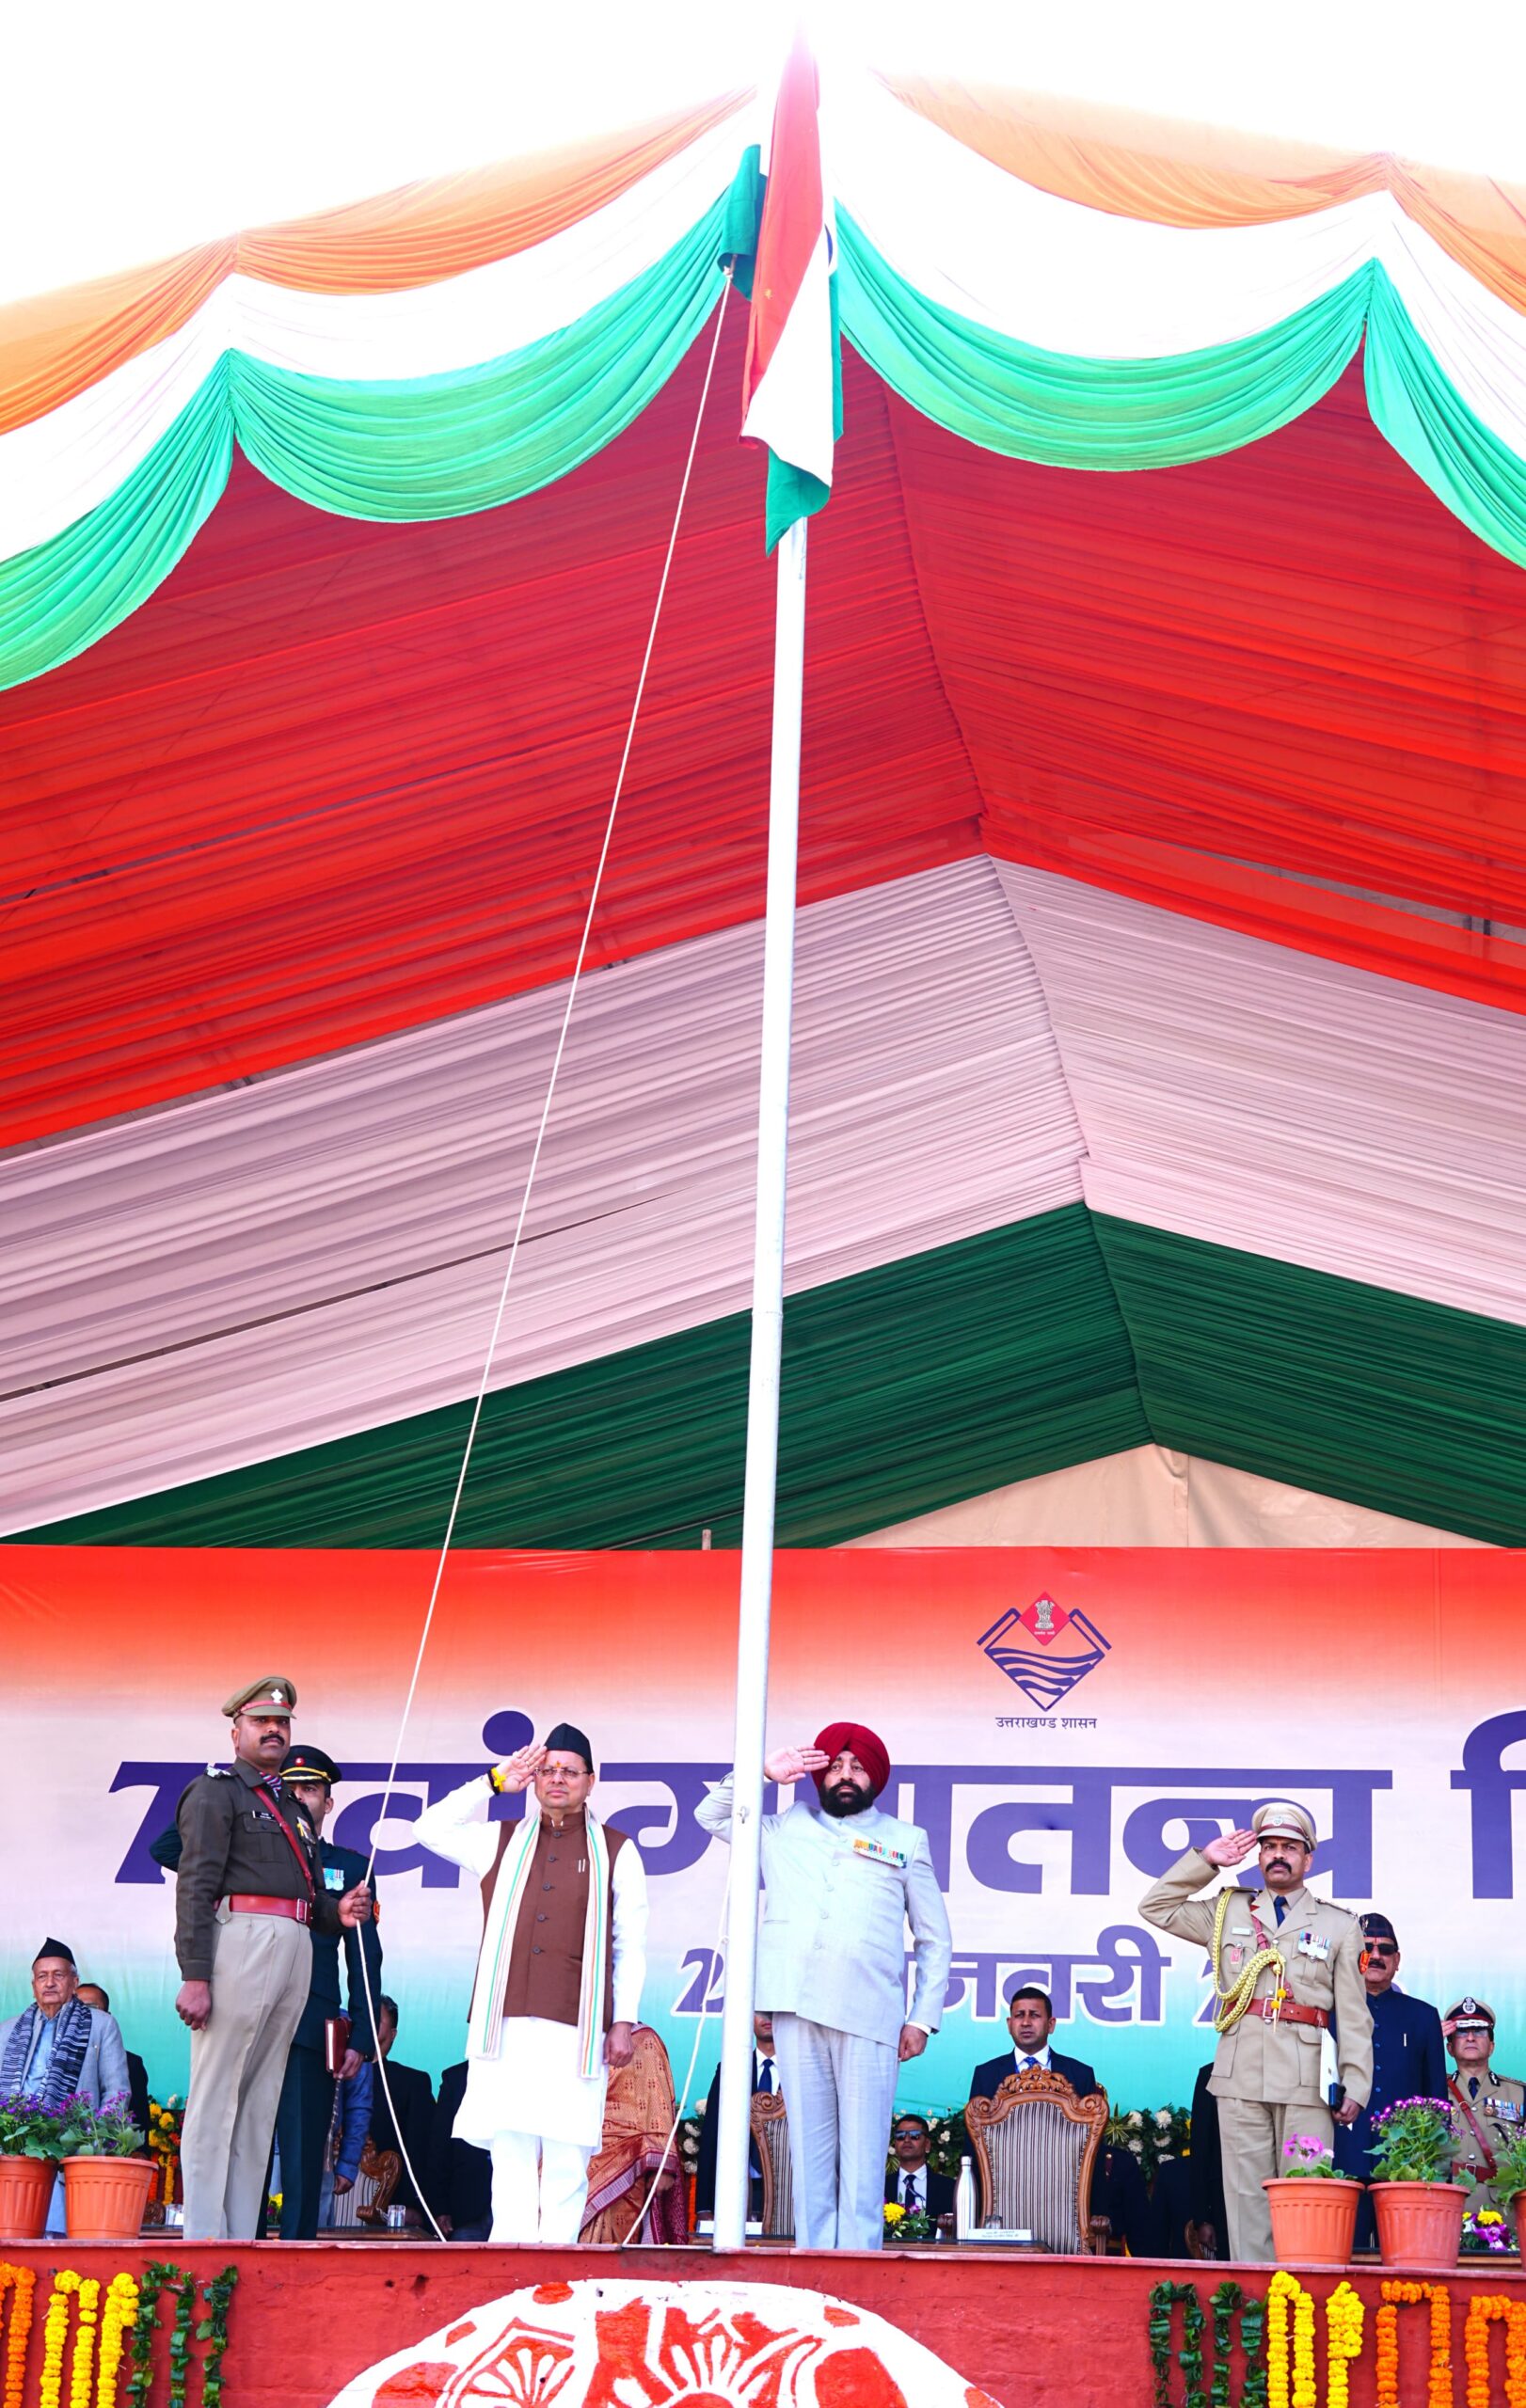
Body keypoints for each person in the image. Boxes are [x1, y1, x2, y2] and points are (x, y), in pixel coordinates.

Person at [695, 1720, 952, 2251]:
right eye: (835, 1765)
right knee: (809, 2154)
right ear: (819, 1775)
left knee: (863, 2160)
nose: (845, 1775)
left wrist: (922, 2018)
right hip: (795, 2007)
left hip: (870, 2014)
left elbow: (934, 1938)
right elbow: (710, 1815)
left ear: (875, 1777)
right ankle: (815, 2262)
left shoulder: (906, 1840)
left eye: (857, 1766)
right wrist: (762, 1773)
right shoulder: (781, 1828)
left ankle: (858, 2269)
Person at [415, 1722, 647, 2242]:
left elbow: (629, 1943)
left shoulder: (617, 1850)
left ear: (591, 1781)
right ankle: (512, 2257)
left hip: (577, 2026)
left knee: (567, 2152)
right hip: (507, 2024)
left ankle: (558, 2258)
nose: (557, 1779)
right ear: (534, 1779)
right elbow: (427, 1829)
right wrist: (492, 1782)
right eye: (547, 1770)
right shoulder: (498, 1841)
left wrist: (624, 2020)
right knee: (510, 2150)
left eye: (570, 1772)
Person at [173, 1677, 372, 2242]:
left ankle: (240, 2236)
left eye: (281, 1723)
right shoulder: (216, 1792)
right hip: (242, 1940)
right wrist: (195, 1975)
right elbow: (195, 1885)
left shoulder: (290, 1805)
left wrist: (338, 1912)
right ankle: (205, 2237)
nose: (273, 1731)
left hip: (297, 1943)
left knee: (259, 2105)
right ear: (236, 1731)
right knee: (218, 2096)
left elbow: (306, 1894)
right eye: (261, 1722)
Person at [1139, 1799, 1371, 2263]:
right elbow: (1156, 1907)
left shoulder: (1339, 1925)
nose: (1278, 1855)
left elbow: (1353, 2014)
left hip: (1307, 2078)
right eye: (1269, 1847)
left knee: (1306, 2196)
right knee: (1246, 2201)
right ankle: (1257, 2301)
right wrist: (1207, 1861)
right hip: (1241, 2074)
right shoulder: (1228, 1909)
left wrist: (1356, 2083)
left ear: (1308, 1859)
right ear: (1259, 1856)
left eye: (1289, 1847)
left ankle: (1302, 2300)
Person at [268, 1744, 383, 2240]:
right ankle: (237, 2255)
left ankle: (295, 2254)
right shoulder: (248, 1858)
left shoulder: (350, 1867)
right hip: (251, 2020)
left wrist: (361, 2037)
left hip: (310, 2026)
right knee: (244, 2149)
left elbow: (364, 1957)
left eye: (310, 1789)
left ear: (328, 1802)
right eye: (289, 1789)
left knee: (303, 2153)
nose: (299, 1797)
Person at [1332, 1914, 1447, 2249]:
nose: (1376, 1956)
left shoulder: (1423, 2016)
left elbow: (1436, 2097)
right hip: (1342, 2160)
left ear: (1397, 1961)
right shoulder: (1329, 2011)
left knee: (1404, 2260)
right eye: (1367, 1948)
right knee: (1342, 2258)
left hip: (1404, 2168)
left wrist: (1435, 2169)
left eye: (1385, 1950)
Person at [0, 1944, 132, 2236]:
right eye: (42, 1976)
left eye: (58, 1975)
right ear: (33, 1985)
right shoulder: (7, 2031)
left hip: (71, 2153)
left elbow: (117, 2091)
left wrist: (93, 2145)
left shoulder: (101, 2025)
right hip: (14, 2158)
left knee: (60, 2244)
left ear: (74, 1982)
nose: (49, 1982)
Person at [580, 2024, 687, 2243]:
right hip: (570, 2149)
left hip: (623, 2167)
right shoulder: (574, 2033)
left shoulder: (643, 2039)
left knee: (614, 2248)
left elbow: (658, 2104)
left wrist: (662, 2165)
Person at [1442, 1997, 1526, 2233]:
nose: (1470, 2038)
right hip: (1448, 2209)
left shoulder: (1519, 2093)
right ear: (1449, 2048)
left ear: (1492, 2046)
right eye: (1461, 2032)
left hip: (1502, 2213)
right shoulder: (1431, 2091)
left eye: (1479, 2032)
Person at [694, 2013, 779, 2224]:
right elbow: (711, 2134)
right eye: (759, 2010)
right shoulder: (731, 2068)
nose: (767, 2016)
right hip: (738, 2190)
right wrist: (704, 2206)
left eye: (772, 2009)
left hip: (788, 2192)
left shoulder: (802, 2071)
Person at [367, 1996, 437, 2226]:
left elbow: (420, 2151)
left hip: (391, 2207)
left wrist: (411, 2207)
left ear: (393, 2034)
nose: (368, 2022)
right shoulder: (333, 2075)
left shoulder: (411, 2083)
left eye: (377, 2019)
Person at [968, 1986, 1099, 2100]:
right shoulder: (985, 2075)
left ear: (1050, 2024)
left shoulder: (1081, 2074)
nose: (1026, 2023)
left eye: (1034, 2015)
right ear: (1009, 2024)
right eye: (1019, 2015)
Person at [73, 1984, 150, 2143]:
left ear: (107, 2016)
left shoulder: (131, 2063)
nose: (85, 2015)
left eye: (92, 2009)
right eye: (77, 2008)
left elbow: (140, 2119)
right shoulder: (57, 2058)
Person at [426, 2065, 492, 2241]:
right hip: (467, 2207)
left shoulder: (529, 2074)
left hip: (520, 2207)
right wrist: (439, 2208)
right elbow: (439, 2147)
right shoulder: (456, 2078)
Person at [318, 2055, 374, 2229]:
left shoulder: (350, 2036)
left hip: (319, 2151)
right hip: (262, 2144)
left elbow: (358, 2100)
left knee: (312, 2236)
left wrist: (348, 2161)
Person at [885, 2114, 955, 2233]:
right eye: (900, 2136)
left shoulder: (949, 2188)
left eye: (915, 2135)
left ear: (927, 2145)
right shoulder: (881, 2187)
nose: (907, 2140)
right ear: (895, 2145)